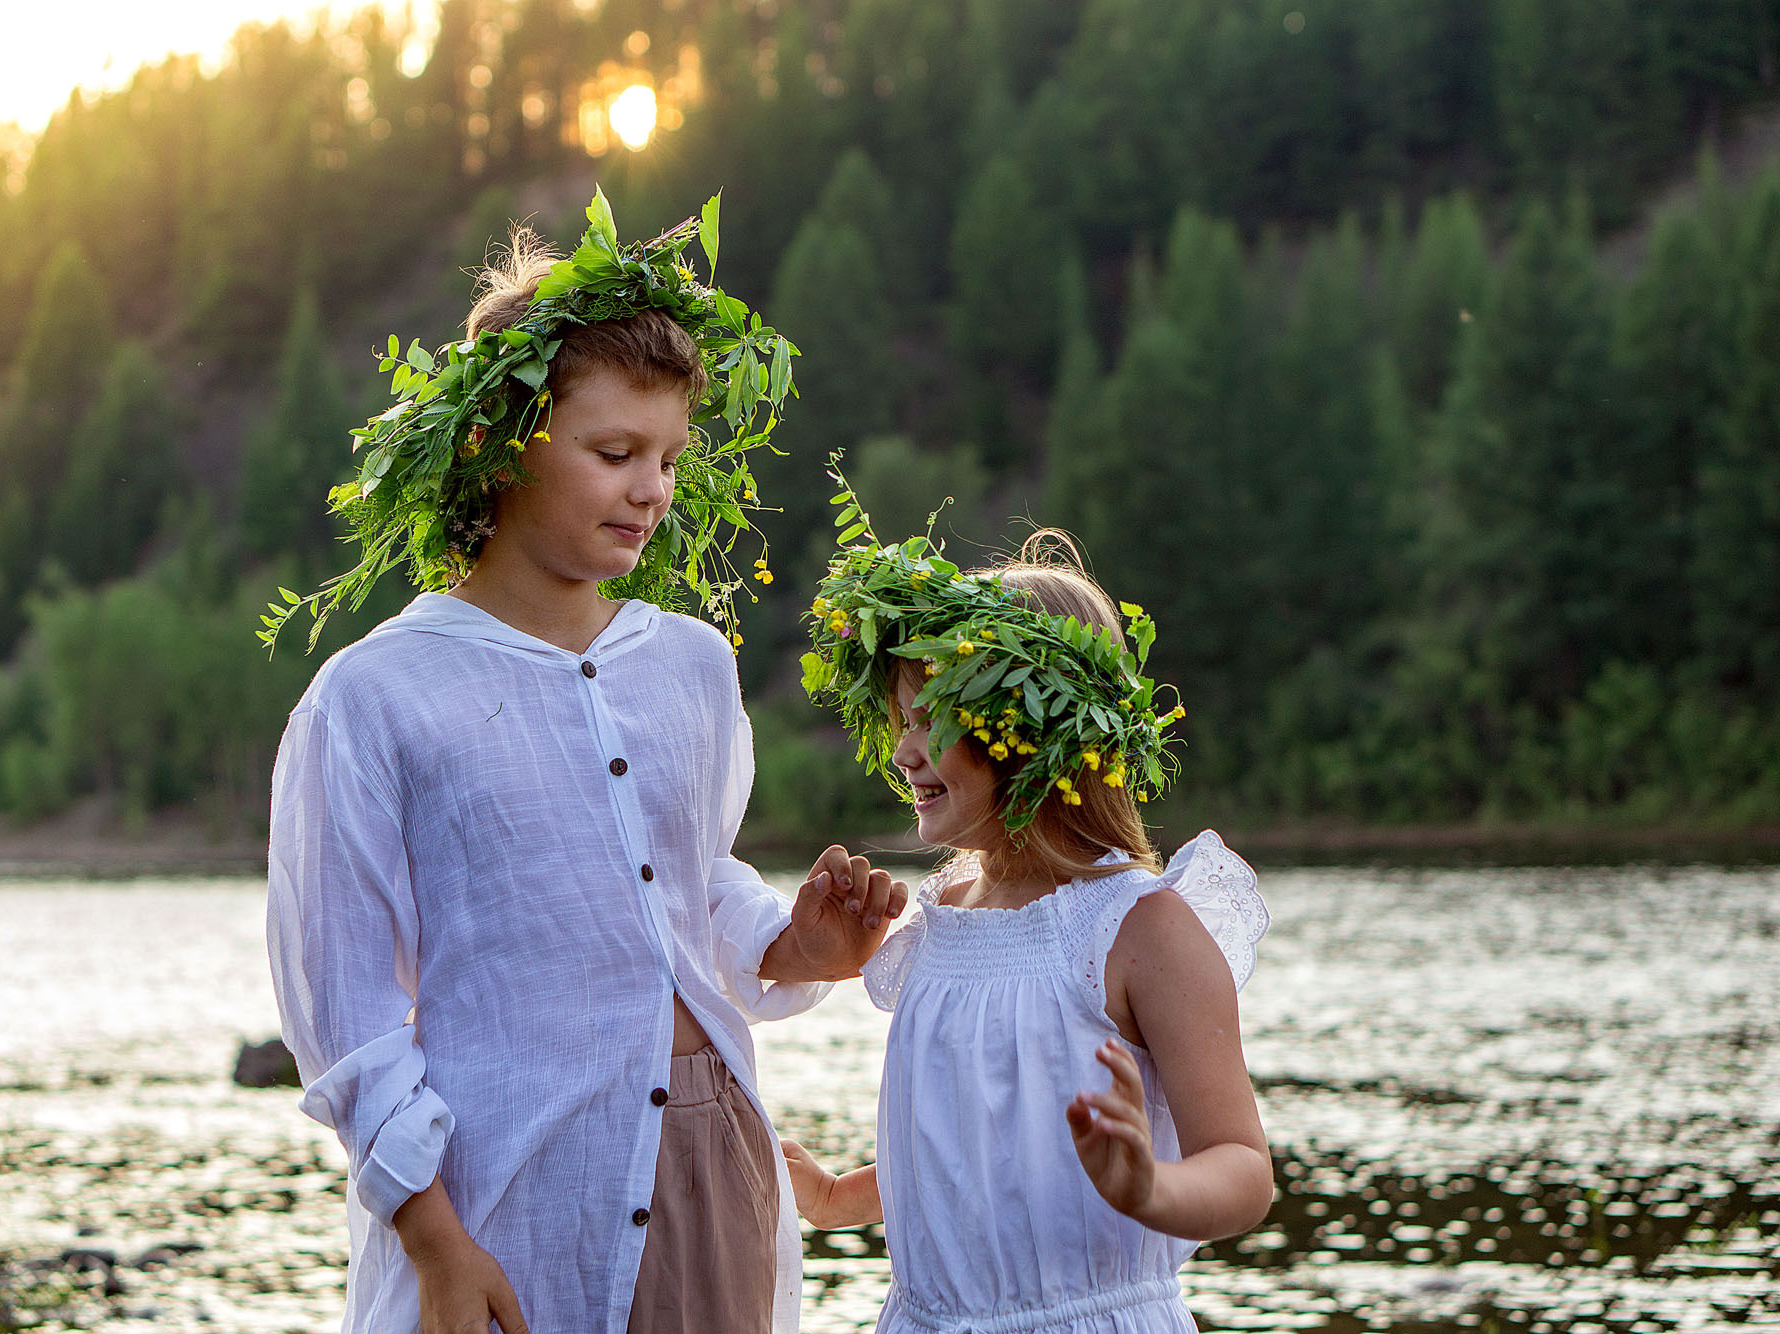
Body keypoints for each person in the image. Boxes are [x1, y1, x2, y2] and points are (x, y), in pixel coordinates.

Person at [265, 194, 908, 1334]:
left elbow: (686, 885)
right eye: (613, 452)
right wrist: (435, 1243)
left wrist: (791, 944)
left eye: (665, 456)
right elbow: (347, 1016)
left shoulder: (693, 667)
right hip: (507, 1185)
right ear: (496, 442)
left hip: (713, 1148)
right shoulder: (372, 698)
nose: (651, 487)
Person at [783, 512, 1273, 1333]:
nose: (905, 752)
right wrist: (840, 1199)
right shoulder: (944, 915)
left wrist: (1149, 1184)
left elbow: (1244, 1170)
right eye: (904, 720)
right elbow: (979, 1148)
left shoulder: (1138, 929)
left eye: (933, 717)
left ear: (1034, 729)